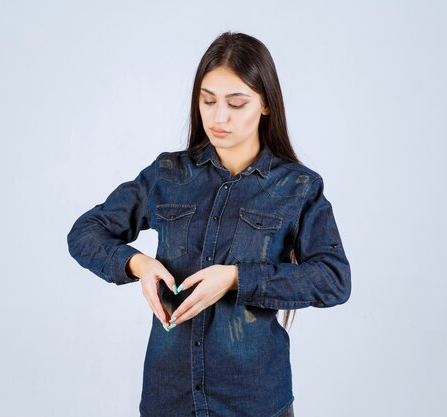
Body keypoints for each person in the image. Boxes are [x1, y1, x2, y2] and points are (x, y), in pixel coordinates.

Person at [67, 31, 351, 417]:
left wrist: (236, 278)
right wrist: (139, 265)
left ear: (266, 105)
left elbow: (333, 278)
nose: (219, 117)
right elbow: (85, 232)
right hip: (169, 399)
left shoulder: (297, 187)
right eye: (208, 100)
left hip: (255, 402)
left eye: (237, 104)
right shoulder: (168, 175)